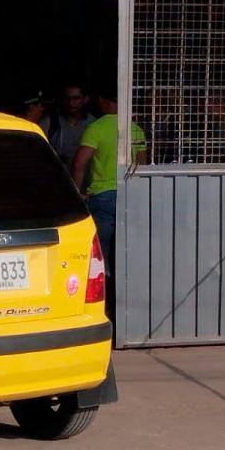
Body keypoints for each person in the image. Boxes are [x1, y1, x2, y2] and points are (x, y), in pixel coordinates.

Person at [70, 85, 147, 316]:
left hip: (101, 198)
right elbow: (141, 165)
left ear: (104, 102)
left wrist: (77, 194)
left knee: (100, 257)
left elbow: (79, 164)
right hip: (130, 199)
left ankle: (101, 310)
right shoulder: (135, 130)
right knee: (127, 254)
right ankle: (129, 311)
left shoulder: (96, 128)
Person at [47, 82, 95, 170]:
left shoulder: (94, 124)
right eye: (67, 98)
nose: (71, 102)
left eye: (76, 98)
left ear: (85, 99)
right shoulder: (50, 122)